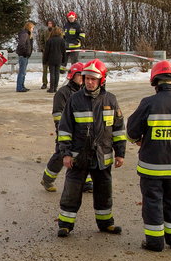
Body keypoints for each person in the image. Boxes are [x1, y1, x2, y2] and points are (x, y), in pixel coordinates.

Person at [127, 61, 171, 251]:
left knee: (152, 202)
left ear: (155, 81)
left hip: (151, 166)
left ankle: (155, 242)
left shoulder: (149, 103)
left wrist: (138, 140)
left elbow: (132, 130)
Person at [54, 59, 126, 237]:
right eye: (86, 78)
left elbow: (118, 130)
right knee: (71, 192)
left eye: (93, 79)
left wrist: (120, 153)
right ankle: (65, 225)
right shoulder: (74, 100)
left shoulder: (110, 100)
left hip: (103, 157)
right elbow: (64, 129)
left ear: (102, 80)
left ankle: (105, 224)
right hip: (78, 157)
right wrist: (66, 154)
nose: (89, 82)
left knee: (104, 192)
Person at [41, 62, 84, 192]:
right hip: (65, 130)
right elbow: (58, 115)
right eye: (79, 75)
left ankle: (86, 183)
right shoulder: (62, 93)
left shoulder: (85, 92)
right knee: (61, 155)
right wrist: (63, 131)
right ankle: (47, 179)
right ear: (72, 76)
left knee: (83, 155)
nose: (82, 78)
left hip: (81, 132)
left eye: (84, 75)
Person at [43, 27, 66, 93]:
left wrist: (45, 60)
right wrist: (64, 59)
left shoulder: (49, 40)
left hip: (51, 59)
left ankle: (51, 88)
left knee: (52, 73)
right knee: (57, 73)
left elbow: (46, 52)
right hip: (59, 59)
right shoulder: (62, 40)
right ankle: (55, 88)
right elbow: (63, 51)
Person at [15, 21, 35, 92]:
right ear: (29, 27)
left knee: (23, 72)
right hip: (23, 55)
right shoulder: (25, 34)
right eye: (32, 28)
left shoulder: (27, 34)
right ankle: (19, 87)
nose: (33, 29)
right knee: (22, 72)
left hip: (25, 55)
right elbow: (21, 44)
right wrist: (25, 52)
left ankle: (22, 86)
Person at [40, 19, 56, 89]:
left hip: (53, 53)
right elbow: (41, 41)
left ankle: (53, 83)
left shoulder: (56, 32)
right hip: (46, 52)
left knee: (53, 69)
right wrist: (43, 49)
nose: (49, 25)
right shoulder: (44, 32)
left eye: (51, 23)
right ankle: (44, 83)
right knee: (45, 68)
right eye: (48, 23)